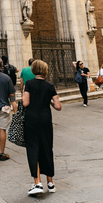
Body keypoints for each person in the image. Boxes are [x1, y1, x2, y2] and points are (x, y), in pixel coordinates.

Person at [23, 60, 62, 196]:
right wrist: (49, 101)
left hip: (32, 119)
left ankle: (37, 183)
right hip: (45, 119)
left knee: (33, 148)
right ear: (45, 70)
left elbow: (25, 103)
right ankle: (50, 183)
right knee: (46, 148)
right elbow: (58, 106)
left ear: (34, 70)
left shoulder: (29, 84)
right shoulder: (50, 85)